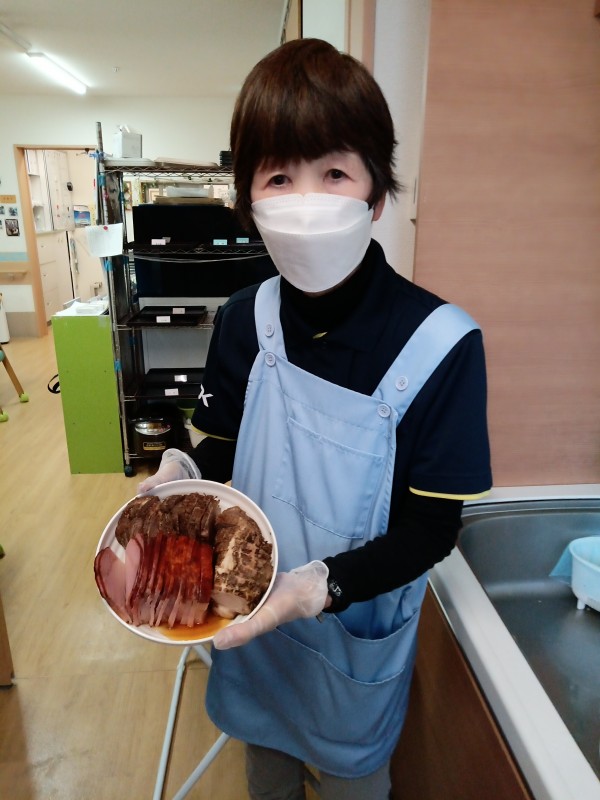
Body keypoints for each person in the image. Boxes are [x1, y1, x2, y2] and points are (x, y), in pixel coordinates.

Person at [139, 38, 492, 800]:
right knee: (265, 774)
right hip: (249, 624)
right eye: (278, 177)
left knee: (353, 785)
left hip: (351, 639)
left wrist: (319, 587)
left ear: (374, 193)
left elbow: (432, 528)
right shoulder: (244, 320)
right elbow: (225, 447)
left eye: (333, 173)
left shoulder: (442, 346)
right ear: (249, 202)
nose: (305, 199)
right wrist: (185, 471)